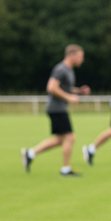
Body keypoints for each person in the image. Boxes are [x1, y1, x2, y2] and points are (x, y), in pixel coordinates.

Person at [21, 44, 90, 177]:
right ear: (72, 55)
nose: (82, 59)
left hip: (58, 108)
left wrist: (78, 91)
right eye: (81, 56)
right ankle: (65, 170)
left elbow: (64, 88)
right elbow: (51, 87)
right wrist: (69, 97)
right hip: (57, 108)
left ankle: (30, 154)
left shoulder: (69, 70)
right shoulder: (61, 69)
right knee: (70, 137)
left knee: (59, 139)